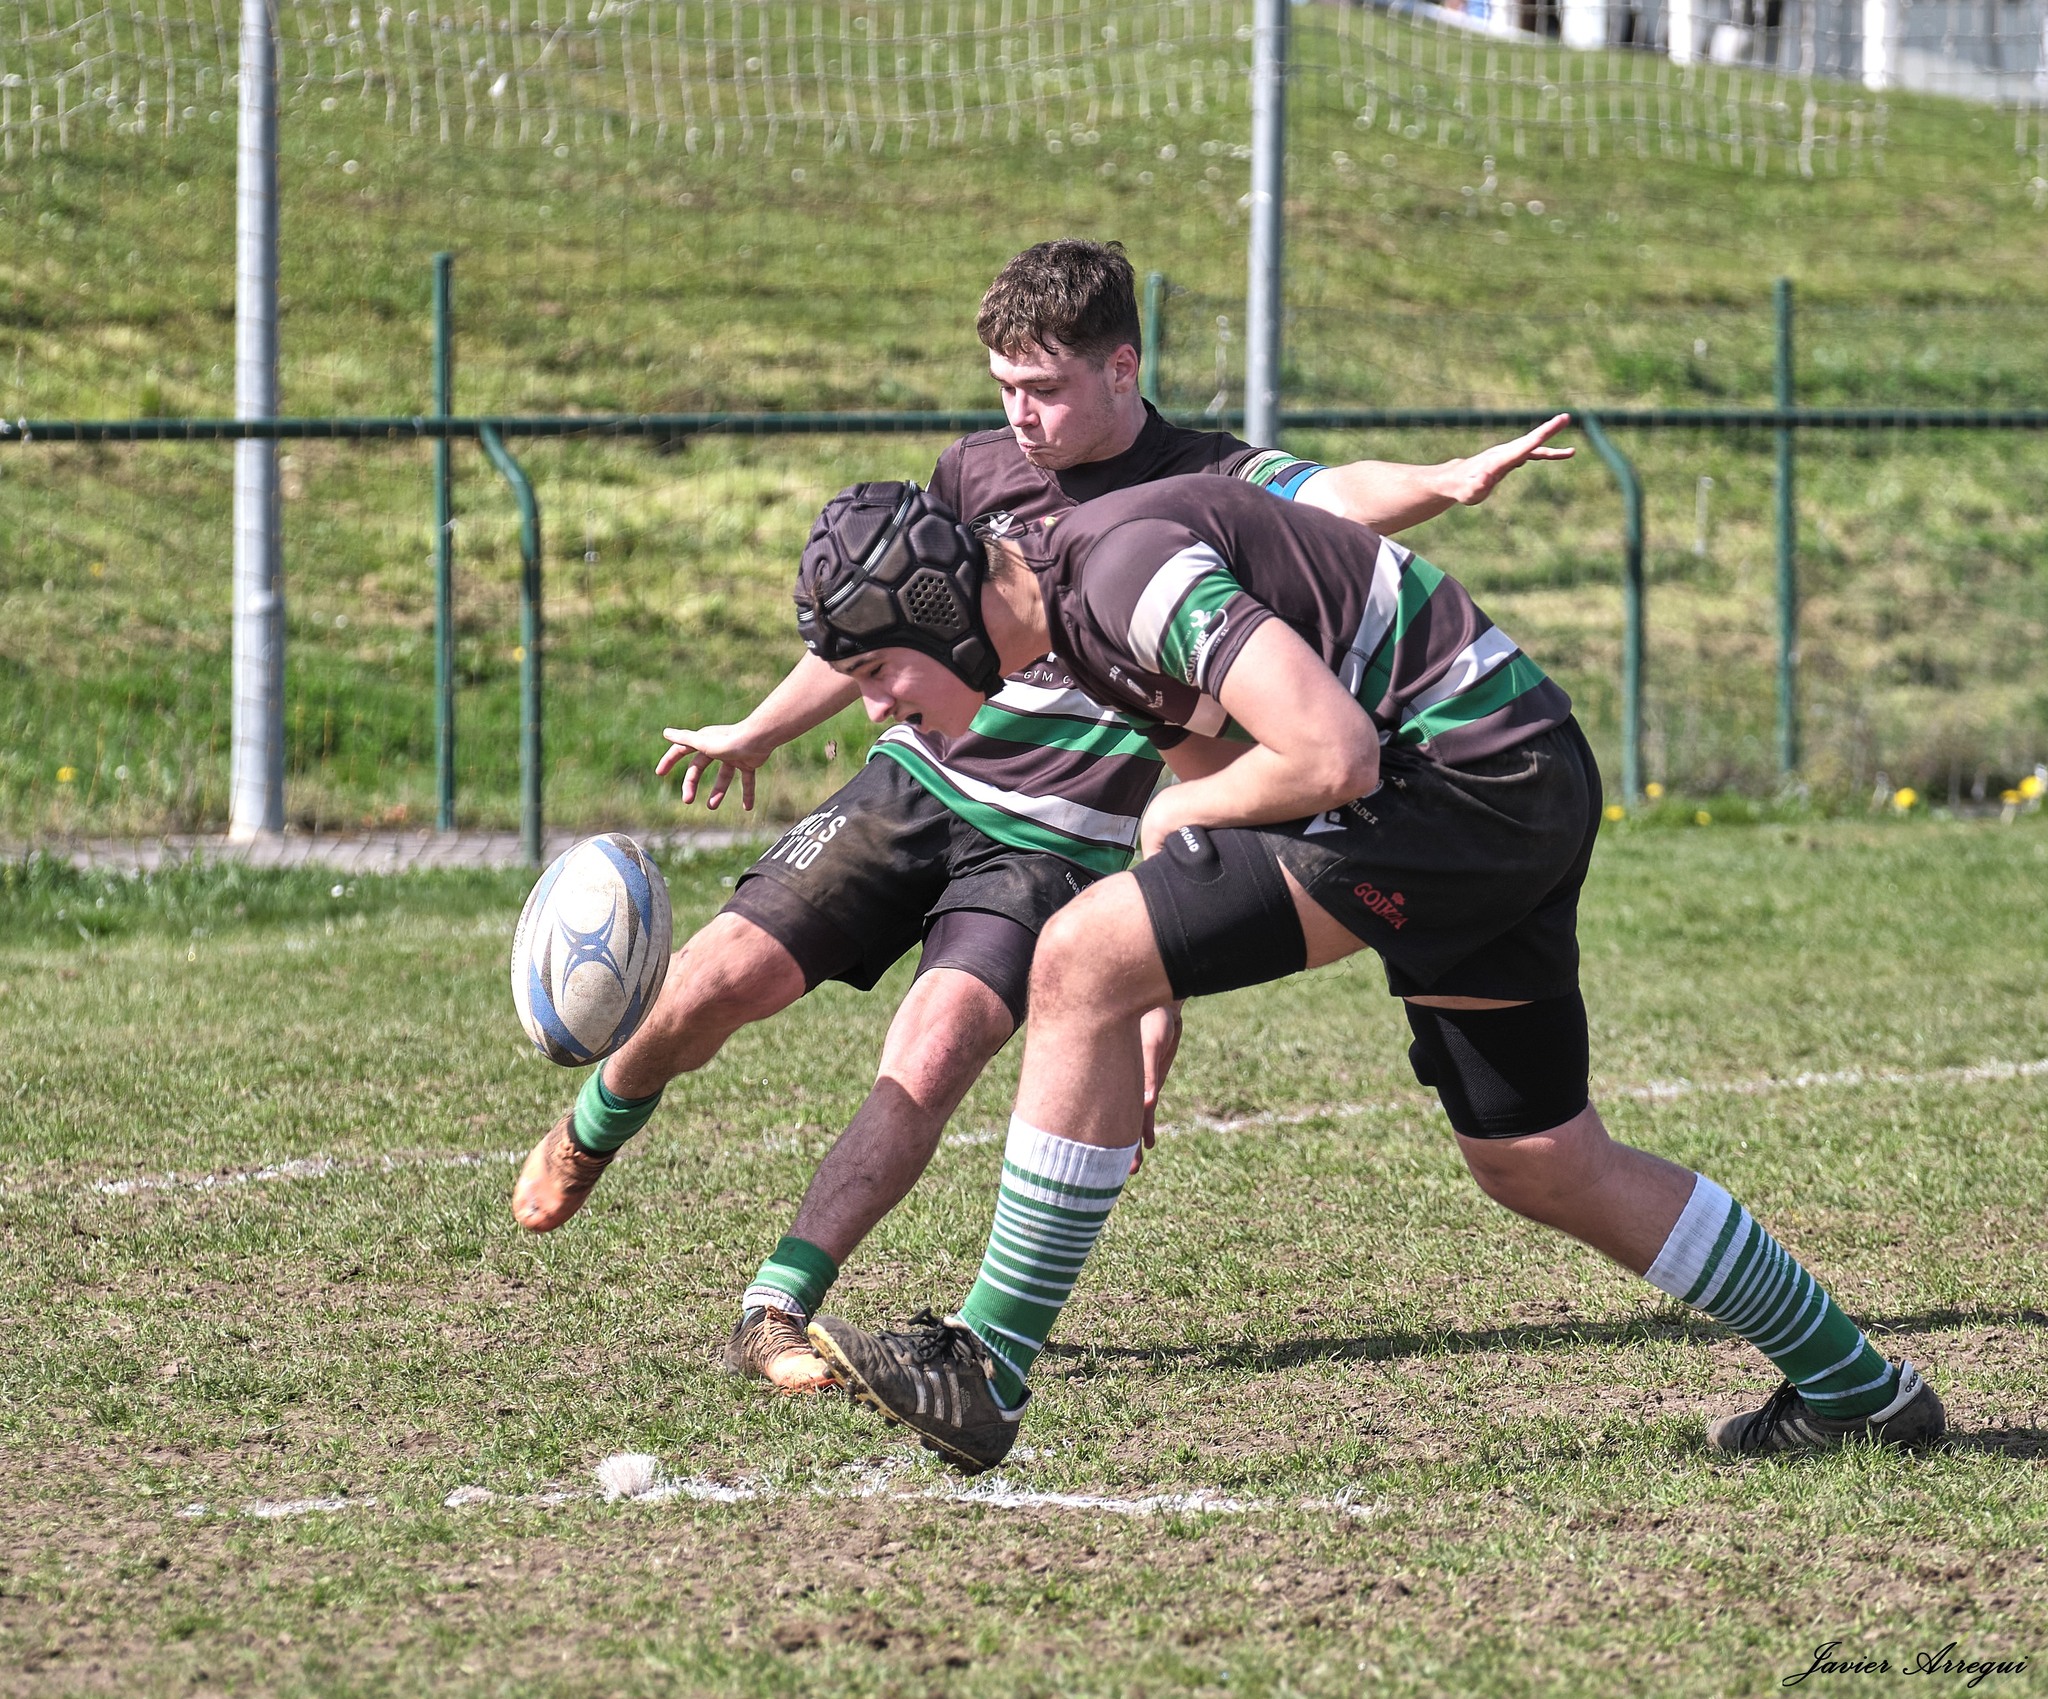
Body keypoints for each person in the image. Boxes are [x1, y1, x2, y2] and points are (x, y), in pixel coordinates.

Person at [511, 240, 1576, 1396]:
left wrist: (1450, 476)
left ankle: (777, 1304)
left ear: (1122, 367)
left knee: (933, 1052)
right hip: (918, 784)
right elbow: (876, 615)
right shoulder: (972, 474)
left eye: (1046, 388)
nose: (1021, 416)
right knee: (722, 977)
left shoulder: (1199, 482)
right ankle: (597, 1117)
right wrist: (759, 730)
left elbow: (1336, 496)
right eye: (1003, 387)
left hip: (1056, 845)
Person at [794, 473, 1948, 1472]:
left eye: (876, 668)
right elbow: (1217, 751)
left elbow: (1329, 753)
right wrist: (1155, 972)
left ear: (942, 611)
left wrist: (1166, 844)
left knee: (1075, 953)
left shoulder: (1118, 572)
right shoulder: (1082, 618)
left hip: (1454, 782)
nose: (877, 705)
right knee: (1539, 1160)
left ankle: (987, 1366)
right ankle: (1854, 1388)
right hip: (1511, 775)